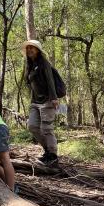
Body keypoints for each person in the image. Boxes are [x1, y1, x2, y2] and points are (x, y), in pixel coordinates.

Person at [22, 39, 59, 167]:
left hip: (47, 100)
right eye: (28, 48)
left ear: (38, 50)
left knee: (46, 129)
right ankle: (48, 151)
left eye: (32, 48)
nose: (29, 50)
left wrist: (54, 98)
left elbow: (50, 81)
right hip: (35, 102)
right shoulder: (29, 65)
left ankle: (53, 156)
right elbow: (29, 84)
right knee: (32, 126)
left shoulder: (44, 63)